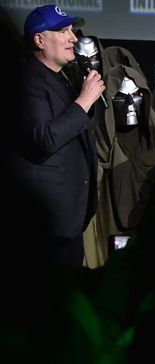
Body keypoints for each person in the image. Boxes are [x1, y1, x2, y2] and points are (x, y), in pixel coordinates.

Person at [11, 4, 105, 266]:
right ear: (40, 40)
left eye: (72, 30)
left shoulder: (62, 78)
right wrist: (83, 101)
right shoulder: (27, 79)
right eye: (63, 31)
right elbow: (43, 138)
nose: (74, 38)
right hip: (44, 223)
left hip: (68, 220)